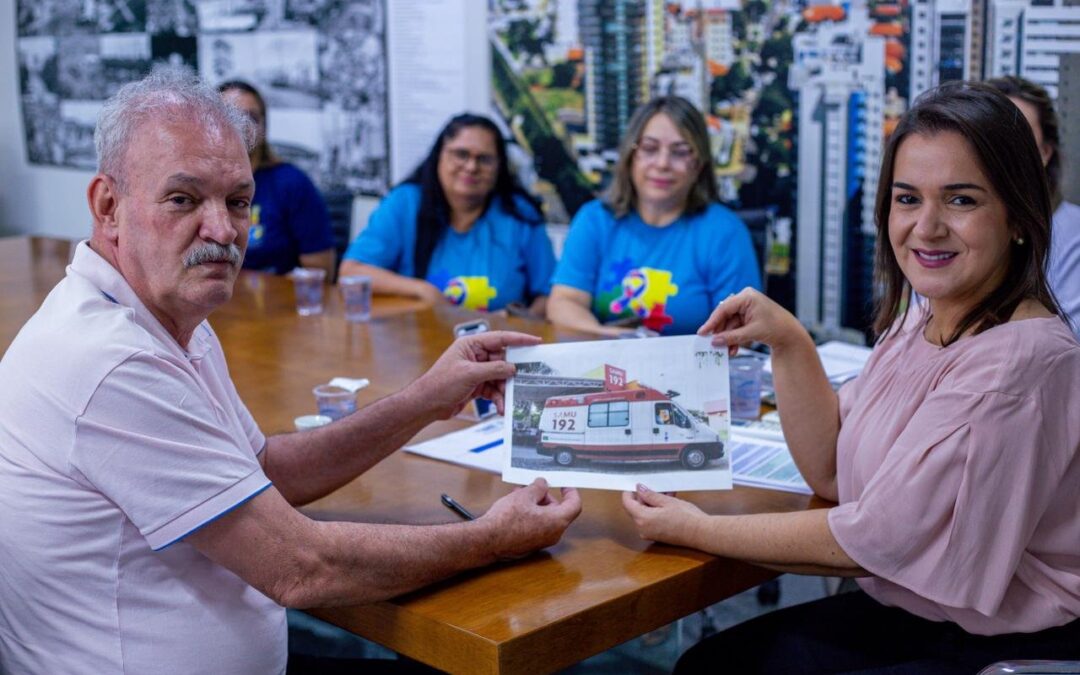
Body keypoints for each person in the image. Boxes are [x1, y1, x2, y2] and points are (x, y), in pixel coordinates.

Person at [0, 68, 581, 674]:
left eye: (238, 201)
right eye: (183, 199)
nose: (223, 231)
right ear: (108, 206)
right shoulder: (111, 362)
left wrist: (427, 399)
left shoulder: (164, 317)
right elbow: (302, 567)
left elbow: (265, 471)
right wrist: (492, 538)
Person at [623, 82, 1080, 673]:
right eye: (907, 199)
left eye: (961, 201)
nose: (927, 226)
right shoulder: (923, 319)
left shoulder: (1021, 360)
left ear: (1019, 217)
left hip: (993, 644)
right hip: (915, 610)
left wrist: (698, 529)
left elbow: (874, 539)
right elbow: (834, 469)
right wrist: (786, 339)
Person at [546, 96, 761, 336]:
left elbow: (742, 334)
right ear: (630, 157)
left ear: (699, 164)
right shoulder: (594, 219)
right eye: (649, 149)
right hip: (608, 366)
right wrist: (623, 341)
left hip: (695, 371)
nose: (662, 163)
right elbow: (564, 303)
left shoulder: (725, 231)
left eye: (680, 152)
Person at [338, 114, 555, 314]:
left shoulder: (519, 214)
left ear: (500, 166)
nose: (471, 167)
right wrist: (423, 290)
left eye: (485, 159)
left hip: (499, 347)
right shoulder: (405, 202)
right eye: (461, 154)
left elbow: (549, 295)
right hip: (415, 342)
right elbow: (352, 272)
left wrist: (518, 322)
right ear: (438, 156)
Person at [986, 75, 1080, 336]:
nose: (1002, 154)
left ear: (1045, 153)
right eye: (990, 138)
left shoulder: (1073, 234)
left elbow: (1063, 343)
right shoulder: (940, 228)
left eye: (1019, 139)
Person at [218, 80, 336, 278]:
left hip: (276, 304)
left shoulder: (291, 183)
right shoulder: (195, 186)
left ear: (264, 126)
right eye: (230, 116)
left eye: (252, 117)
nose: (242, 125)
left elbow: (321, 271)